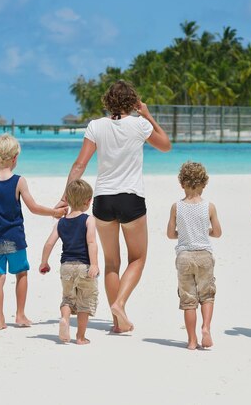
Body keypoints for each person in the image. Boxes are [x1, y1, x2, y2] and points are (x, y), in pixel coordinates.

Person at [56, 80, 171, 333]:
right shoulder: (140, 125)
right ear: (133, 102)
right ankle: (120, 304)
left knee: (111, 263)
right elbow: (165, 145)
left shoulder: (96, 126)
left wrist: (66, 197)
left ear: (107, 101)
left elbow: (79, 165)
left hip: (103, 200)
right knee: (138, 258)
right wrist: (149, 116)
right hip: (131, 198)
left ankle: (118, 323)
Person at [0, 133, 66, 330]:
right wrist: (54, 212)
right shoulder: (19, 181)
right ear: (15, 158)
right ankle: (20, 314)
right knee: (22, 274)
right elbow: (33, 207)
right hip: (15, 238)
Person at [167, 162, 222, 350]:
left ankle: (191, 340)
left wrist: (182, 235)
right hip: (204, 255)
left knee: (188, 299)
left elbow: (170, 234)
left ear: (182, 183)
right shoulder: (209, 207)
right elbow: (218, 232)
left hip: (184, 256)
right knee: (207, 295)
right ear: (204, 184)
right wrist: (205, 231)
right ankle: (206, 327)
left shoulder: (177, 207)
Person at [39, 179, 99, 345]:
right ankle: (80, 337)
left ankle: (65, 319)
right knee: (84, 301)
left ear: (69, 201)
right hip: (84, 266)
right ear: (88, 201)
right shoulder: (89, 220)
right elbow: (91, 243)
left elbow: (49, 243)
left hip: (66, 267)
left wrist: (44, 262)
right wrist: (94, 264)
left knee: (67, 298)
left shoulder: (61, 222)